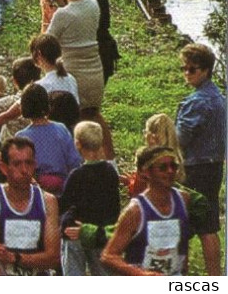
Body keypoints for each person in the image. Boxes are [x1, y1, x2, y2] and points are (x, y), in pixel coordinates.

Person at [42, 0, 113, 157]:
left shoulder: (62, 15)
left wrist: (46, 15)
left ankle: (79, 160)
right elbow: (76, 11)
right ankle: (110, 161)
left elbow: (46, 43)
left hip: (72, 71)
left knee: (75, 121)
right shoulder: (93, 4)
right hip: (94, 69)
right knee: (94, 115)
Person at [101, 145, 195, 276]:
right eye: (163, 168)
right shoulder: (135, 211)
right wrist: (142, 275)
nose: (170, 171)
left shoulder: (184, 200)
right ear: (146, 173)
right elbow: (108, 256)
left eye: (173, 166)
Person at [175, 43, 225, 275]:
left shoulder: (197, 102)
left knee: (182, 224)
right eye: (184, 68)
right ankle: (216, 278)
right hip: (215, 166)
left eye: (191, 69)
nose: (186, 73)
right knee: (209, 224)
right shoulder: (220, 99)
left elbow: (180, 139)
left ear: (205, 70)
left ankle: (181, 276)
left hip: (194, 168)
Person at [0, 136, 60, 275]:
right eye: (17, 164)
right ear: (3, 167)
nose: (24, 170)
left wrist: (14, 258)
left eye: (28, 163)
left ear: (35, 165)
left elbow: (53, 257)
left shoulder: (48, 201)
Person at [59, 120, 120, 276]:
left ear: (77, 144)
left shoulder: (77, 175)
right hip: (100, 232)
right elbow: (114, 206)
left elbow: (64, 204)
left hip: (75, 231)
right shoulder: (110, 172)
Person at [17, 84, 81, 195]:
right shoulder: (61, 128)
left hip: (37, 191)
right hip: (63, 187)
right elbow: (74, 160)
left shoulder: (21, 136)